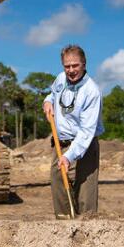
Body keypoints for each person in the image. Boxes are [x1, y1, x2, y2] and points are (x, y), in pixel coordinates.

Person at [42, 45, 104, 218]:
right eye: (67, 66)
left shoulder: (91, 91)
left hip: (85, 145)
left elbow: (86, 131)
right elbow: (52, 95)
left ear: (84, 64)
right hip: (60, 143)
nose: (71, 70)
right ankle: (63, 227)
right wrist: (47, 102)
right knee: (59, 185)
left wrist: (69, 156)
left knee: (86, 193)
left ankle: (87, 232)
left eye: (75, 65)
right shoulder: (61, 78)